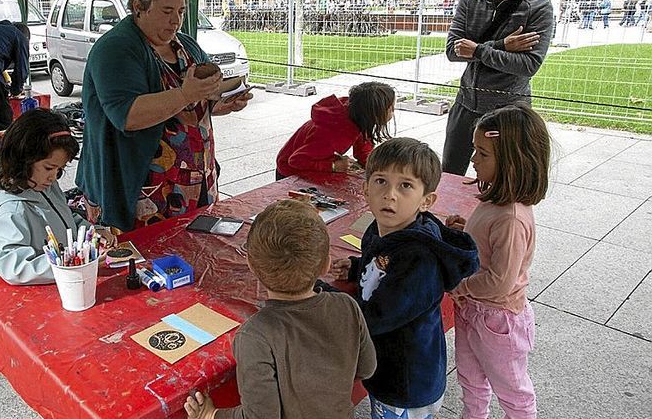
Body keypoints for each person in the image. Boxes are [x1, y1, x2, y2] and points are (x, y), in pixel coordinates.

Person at [77, 0, 252, 233]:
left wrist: (221, 103)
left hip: (193, 186)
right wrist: (186, 93)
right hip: (139, 193)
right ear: (138, 8)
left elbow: (195, 106)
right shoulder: (116, 50)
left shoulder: (186, 46)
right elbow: (128, 116)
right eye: (167, 11)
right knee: (143, 267)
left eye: (181, 11)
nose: (176, 20)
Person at [325, 137, 479, 419]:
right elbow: (382, 269)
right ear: (365, 188)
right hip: (389, 367)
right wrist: (357, 267)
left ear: (426, 201)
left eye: (405, 185)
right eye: (381, 181)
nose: (390, 194)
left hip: (405, 379)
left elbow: (379, 314)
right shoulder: (383, 229)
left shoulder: (419, 260)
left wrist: (325, 296)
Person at [183, 199, 377, 419]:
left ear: (251, 265)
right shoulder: (347, 305)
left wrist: (211, 415)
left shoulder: (255, 335)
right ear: (326, 265)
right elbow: (366, 368)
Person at [444, 103, 550, 419]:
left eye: (482, 153)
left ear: (511, 161)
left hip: (497, 321)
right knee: (471, 380)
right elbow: (488, 247)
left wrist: (458, 285)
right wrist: (467, 232)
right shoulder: (495, 202)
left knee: (513, 393)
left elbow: (499, 280)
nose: (473, 159)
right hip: (474, 311)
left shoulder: (511, 218)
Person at [0, 108, 115, 285]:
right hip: (39, 293)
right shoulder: (11, 210)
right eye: (49, 168)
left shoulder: (45, 186)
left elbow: (66, 219)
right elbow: (13, 268)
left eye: (59, 169)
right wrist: (73, 264)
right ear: (24, 158)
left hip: (66, 282)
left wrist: (91, 233)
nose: (53, 176)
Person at [443, 0, 553, 176]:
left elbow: (529, 65)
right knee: (450, 176)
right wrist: (502, 45)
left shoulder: (538, 6)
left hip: (509, 113)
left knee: (505, 180)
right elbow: (453, 50)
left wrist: (478, 50)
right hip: (466, 104)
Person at [275, 82, 395, 180]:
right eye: (391, 109)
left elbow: (363, 151)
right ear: (373, 113)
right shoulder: (333, 133)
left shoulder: (356, 115)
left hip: (311, 163)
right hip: (290, 174)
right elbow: (296, 161)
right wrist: (333, 166)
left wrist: (379, 167)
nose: (393, 113)